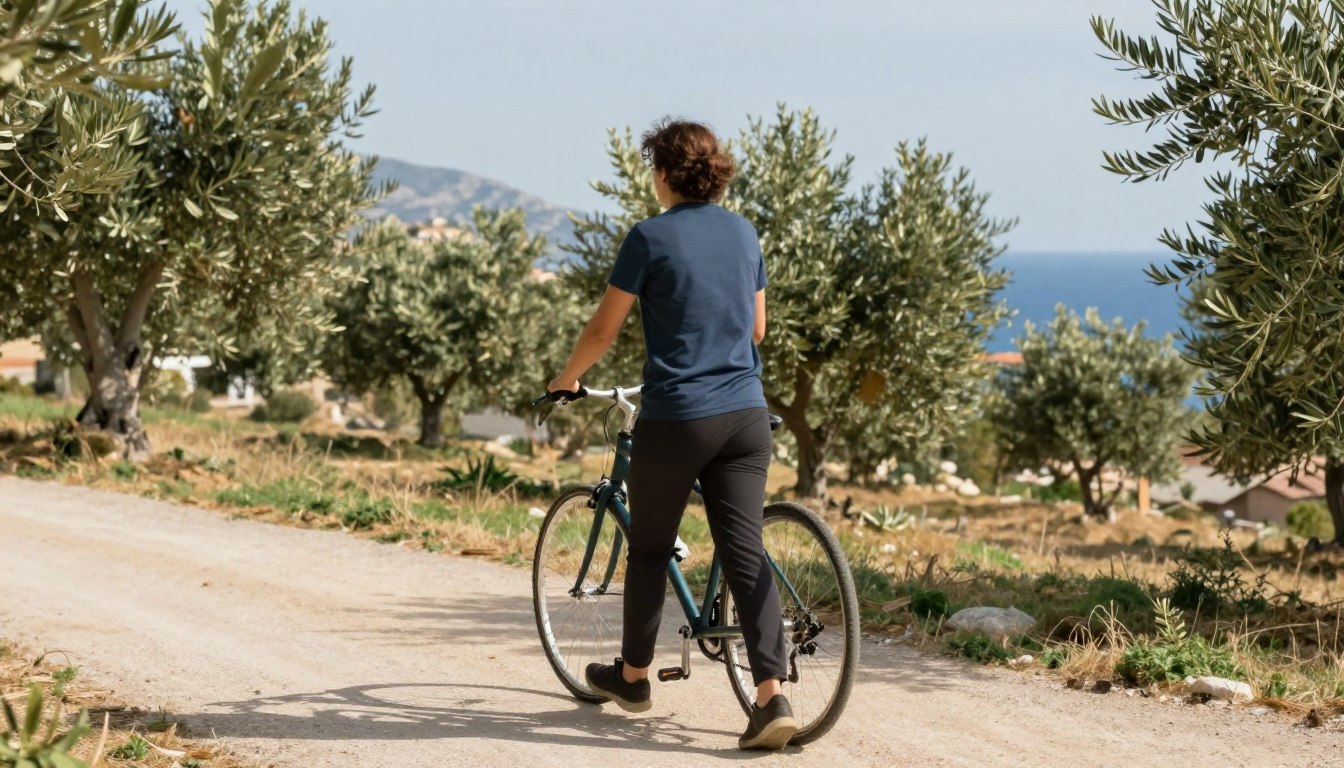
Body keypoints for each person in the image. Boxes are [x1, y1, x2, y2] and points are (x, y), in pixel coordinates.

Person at [546, 118, 795, 750]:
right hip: (746, 415)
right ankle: (772, 697)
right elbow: (757, 331)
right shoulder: (743, 232)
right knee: (743, 551)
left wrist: (567, 379)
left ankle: (633, 677)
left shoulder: (649, 238)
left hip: (680, 416)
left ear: (662, 175)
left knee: (652, 547)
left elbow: (604, 330)